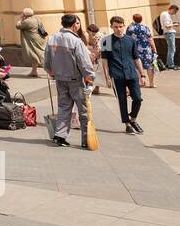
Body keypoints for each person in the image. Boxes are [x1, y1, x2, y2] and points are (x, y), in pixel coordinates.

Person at [44, 14, 95, 148]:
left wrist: (52, 73)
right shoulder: (75, 41)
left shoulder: (52, 39)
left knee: (63, 107)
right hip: (75, 80)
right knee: (83, 111)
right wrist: (90, 79)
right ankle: (86, 140)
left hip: (60, 79)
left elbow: (46, 62)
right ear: (73, 25)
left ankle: (60, 136)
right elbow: (84, 63)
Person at [101, 16, 145, 135]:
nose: (119, 29)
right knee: (122, 100)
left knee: (138, 98)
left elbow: (136, 58)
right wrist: (107, 78)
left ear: (124, 26)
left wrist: (142, 74)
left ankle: (133, 120)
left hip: (131, 73)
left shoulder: (131, 40)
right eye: (116, 27)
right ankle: (127, 124)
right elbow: (104, 61)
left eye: (121, 27)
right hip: (116, 75)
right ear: (111, 27)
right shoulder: (106, 41)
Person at [126, 13, 158, 88]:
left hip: (135, 49)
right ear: (141, 19)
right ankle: (151, 83)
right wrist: (154, 49)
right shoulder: (145, 27)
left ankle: (142, 82)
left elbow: (127, 39)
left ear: (133, 19)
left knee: (137, 66)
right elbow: (150, 39)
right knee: (149, 66)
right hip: (146, 50)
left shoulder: (130, 28)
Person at [16, 8, 47, 78]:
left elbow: (18, 26)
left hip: (33, 40)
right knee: (34, 55)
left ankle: (51, 72)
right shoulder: (37, 19)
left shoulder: (27, 21)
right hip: (40, 38)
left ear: (25, 14)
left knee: (40, 55)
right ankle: (34, 71)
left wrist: (21, 19)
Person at [158, 4, 179, 70]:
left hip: (168, 33)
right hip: (169, 33)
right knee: (172, 49)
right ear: (172, 9)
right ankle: (171, 65)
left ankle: (168, 63)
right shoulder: (166, 14)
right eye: (175, 12)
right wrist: (174, 24)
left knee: (171, 49)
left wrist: (172, 23)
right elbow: (167, 25)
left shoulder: (164, 14)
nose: (174, 13)